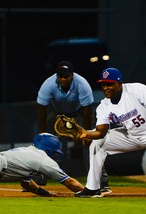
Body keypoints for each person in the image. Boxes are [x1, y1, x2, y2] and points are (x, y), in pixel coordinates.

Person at [75, 67, 146, 198]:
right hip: (130, 135)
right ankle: (93, 187)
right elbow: (101, 132)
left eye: (109, 84)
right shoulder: (104, 105)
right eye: (103, 84)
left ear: (119, 84)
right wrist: (85, 133)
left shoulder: (137, 90)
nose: (106, 88)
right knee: (97, 142)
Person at [36, 60, 110, 191]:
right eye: (60, 76)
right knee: (41, 142)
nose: (63, 79)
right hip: (57, 113)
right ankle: (39, 177)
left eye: (66, 76)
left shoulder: (82, 84)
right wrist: (43, 135)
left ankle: (101, 181)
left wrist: (87, 133)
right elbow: (42, 109)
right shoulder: (48, 84)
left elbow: (87, 110)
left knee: (91, 143)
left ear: (72, 75)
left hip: (79, 113)